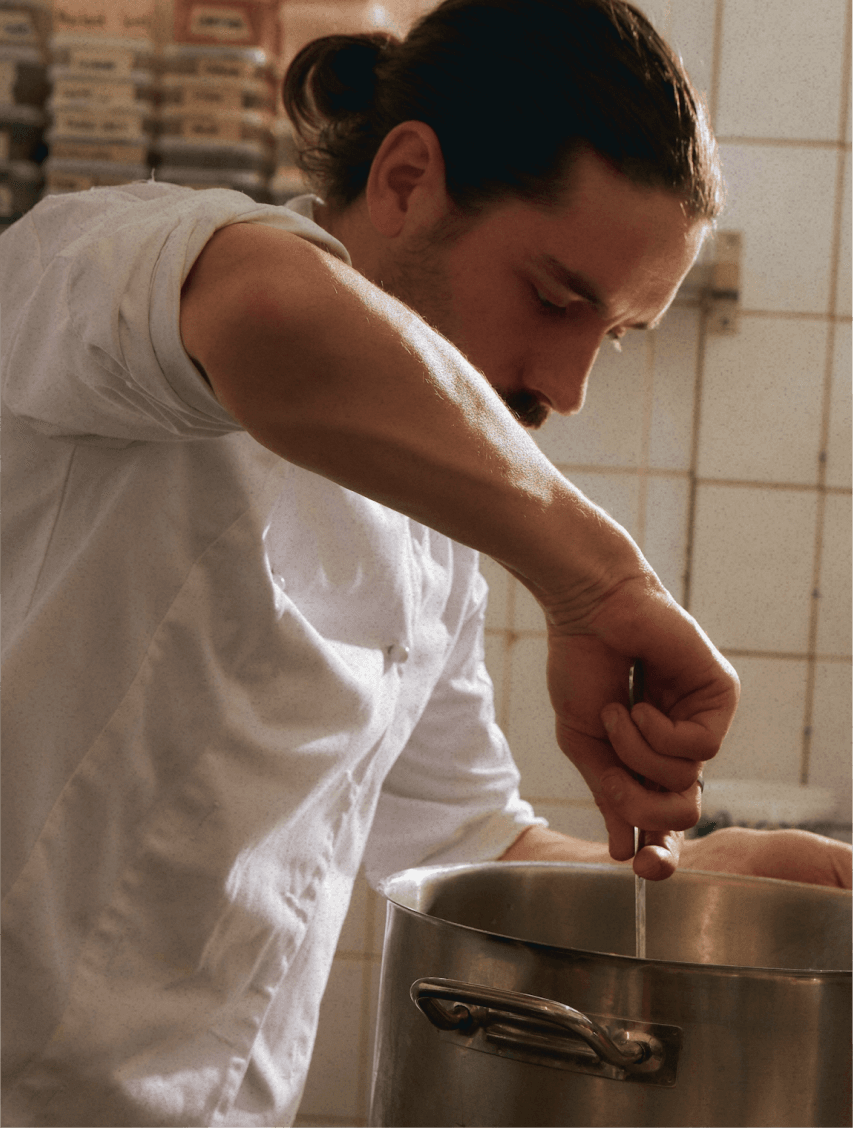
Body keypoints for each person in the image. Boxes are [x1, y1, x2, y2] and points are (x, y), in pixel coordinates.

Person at [1, 0, 848, 1124]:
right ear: (406, 179)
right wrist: (599, 583)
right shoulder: (110, 254)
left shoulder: (440, 523)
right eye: (556, 298)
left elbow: (464, 836)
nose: (570, 385)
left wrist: (697, 892)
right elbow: (272, 310)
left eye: (616, 335)